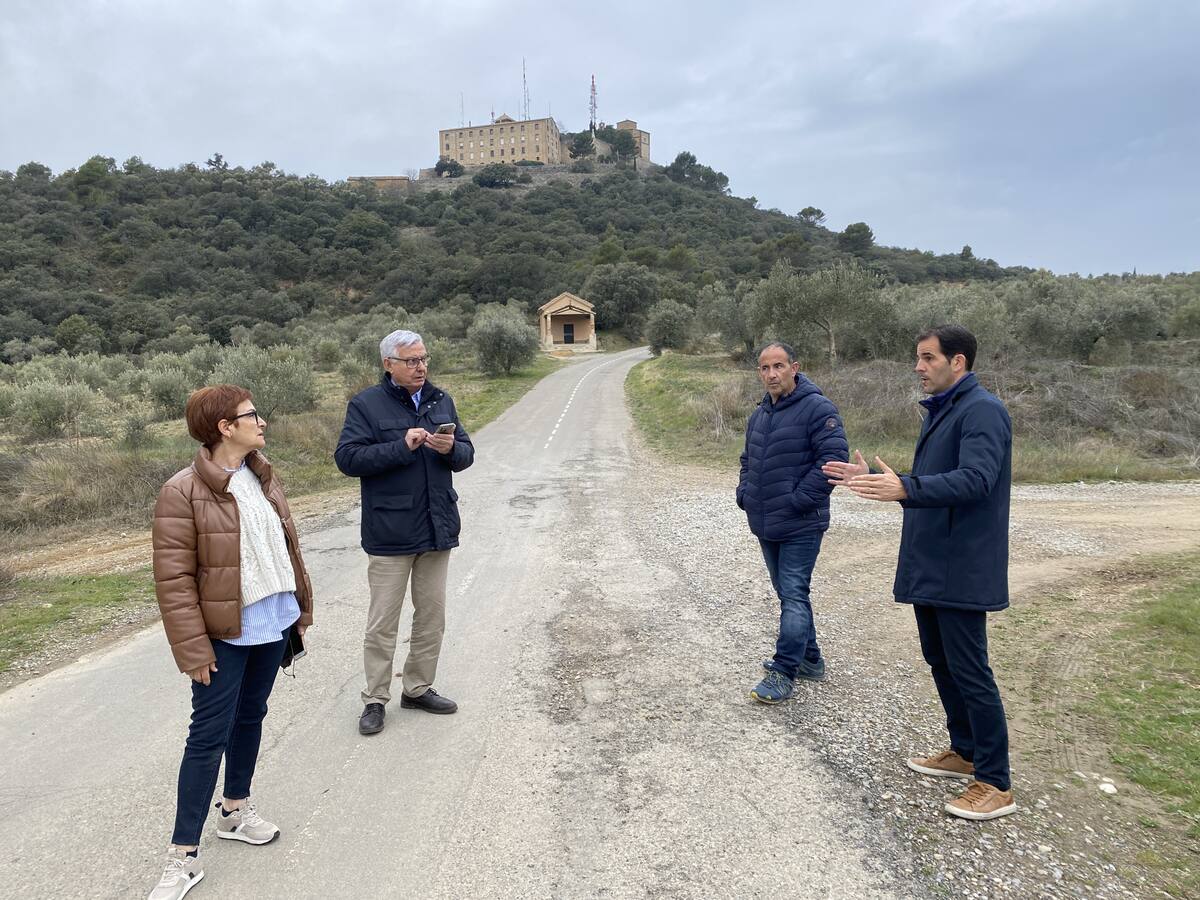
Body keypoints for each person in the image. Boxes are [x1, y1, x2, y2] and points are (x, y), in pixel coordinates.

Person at [823, 325, 1017, 821]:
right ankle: (966, 750)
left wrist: (905, 487)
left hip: (963, 564)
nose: (918, 366)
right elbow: (931, 484)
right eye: (918, 358)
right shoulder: (945, 411)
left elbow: (976, 480)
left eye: (928, 358)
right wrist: (871, 480)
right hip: (933, 560)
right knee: (940, 659)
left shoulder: (982, 411)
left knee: (970, 670)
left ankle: (995, 781)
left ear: (958, 362)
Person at [148, 385, 314, 899]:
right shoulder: (182, 491)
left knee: (251, 716)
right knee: (207, 736)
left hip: (273, 620)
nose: (261, 422)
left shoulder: (262, 475)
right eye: (251, 415)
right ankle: (182, 856)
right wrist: (192, 648)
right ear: (225, 427)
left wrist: (300, 608)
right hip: (223, 632)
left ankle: (235, 810)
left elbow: (284, 548)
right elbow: (173, 580)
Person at [335, 329, 475, 736]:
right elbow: (348, 459)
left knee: (432, 617)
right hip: (390, 531)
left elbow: (466, 452)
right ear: (388, 364)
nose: (420, 367)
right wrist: (403, 445)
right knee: (383, 622)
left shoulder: (440, 399)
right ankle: (375, 699)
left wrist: (452, 450)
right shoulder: (365, 405)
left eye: (423, 359)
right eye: (411, 361)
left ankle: (417, 688)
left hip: (437, 527)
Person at [737, 341, 848, 704]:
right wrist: (745, 494)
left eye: (779, 366)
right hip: (766, 522)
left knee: (794, 594)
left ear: (794, 367)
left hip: (801, 523)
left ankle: (784, 671)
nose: (772, 374)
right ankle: (810, 660)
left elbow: (833, 460)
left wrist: (798, 501)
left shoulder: (818, 409)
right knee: (790, 594)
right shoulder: (761, 413)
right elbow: (747, 458)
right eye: (765, 368)